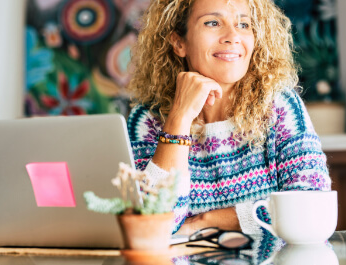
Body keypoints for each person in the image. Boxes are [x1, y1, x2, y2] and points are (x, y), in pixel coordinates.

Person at [126, 0, 331, 235]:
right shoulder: (147, 119)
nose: (233, 36)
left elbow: (310, 207)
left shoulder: (279, 106)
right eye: (213, 22)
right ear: (179, 42)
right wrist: (178, 120)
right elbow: (150, 225)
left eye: (244, 24)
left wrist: (204, 220)